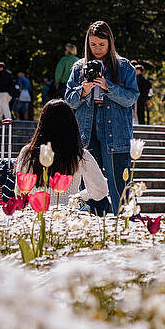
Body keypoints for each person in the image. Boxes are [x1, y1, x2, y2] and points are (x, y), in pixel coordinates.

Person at [65, 20, 139, 211]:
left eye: (101, 44)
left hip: (115, 131)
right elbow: (69, 100)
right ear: (87, 43)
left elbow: (131, 98)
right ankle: (92, 227)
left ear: (110, 44)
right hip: (86, 133)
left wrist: (109, 87)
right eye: (93, 44)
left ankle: (124, 226)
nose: (97, 49)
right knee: (90, 187)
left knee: (119, 186)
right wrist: (83, 91)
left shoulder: (124, 67)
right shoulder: (78, 67)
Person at [16, 99, 110, 213]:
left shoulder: (27, 152)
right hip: (66, 215)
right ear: (72, 125)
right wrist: (77, 197)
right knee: (103, 202)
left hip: (33, 215)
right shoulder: (79, 155)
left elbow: (18, 191)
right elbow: (101, 191)